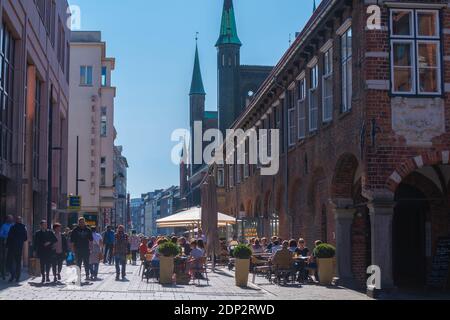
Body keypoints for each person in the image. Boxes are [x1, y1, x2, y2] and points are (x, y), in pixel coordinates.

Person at [6, 216, 27, 283]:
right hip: (19, 247)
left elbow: (9, 237)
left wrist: (7, 245)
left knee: (10, 262)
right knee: (18, 262)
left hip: (12, 247)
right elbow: (25, 238)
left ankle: (13, 275)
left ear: (16, 221)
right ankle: (17, 277)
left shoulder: (12, 227)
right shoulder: (24, 227)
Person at [0, 215, 14, 280]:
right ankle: (3, 273)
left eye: (11, 218)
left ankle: (11, 272)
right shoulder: (4, 226)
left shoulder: (14, 225)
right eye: (9, 218)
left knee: (12, 259)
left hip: (13, 244)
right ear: (7, 219)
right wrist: (6, 235)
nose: (11, 220)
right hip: (6, 244)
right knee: (4, 258)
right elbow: (1, 234)